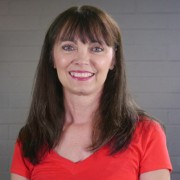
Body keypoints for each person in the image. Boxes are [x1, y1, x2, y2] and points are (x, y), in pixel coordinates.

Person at [10, 5, 172, 180]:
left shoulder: (146, 133)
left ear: (113, 60)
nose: (82, 60)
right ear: (51, 57)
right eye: (68, 47)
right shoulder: (30, 139)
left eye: (96, 48)